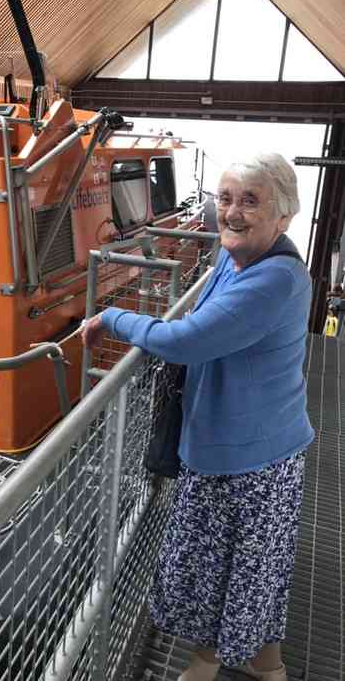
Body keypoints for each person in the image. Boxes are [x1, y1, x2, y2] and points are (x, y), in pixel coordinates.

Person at [82, 152, 314, 681]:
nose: (231, 212)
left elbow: (186, 339)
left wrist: (112, 316)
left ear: (284, 216)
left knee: (242, 572)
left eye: (250, 201)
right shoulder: (233, 262)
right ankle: (256, 664)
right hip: (223, 450)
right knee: (236, 572)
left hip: (255, 461)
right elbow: (196, 322)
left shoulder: (275, 279)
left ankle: (231, 663)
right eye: (225, 197)